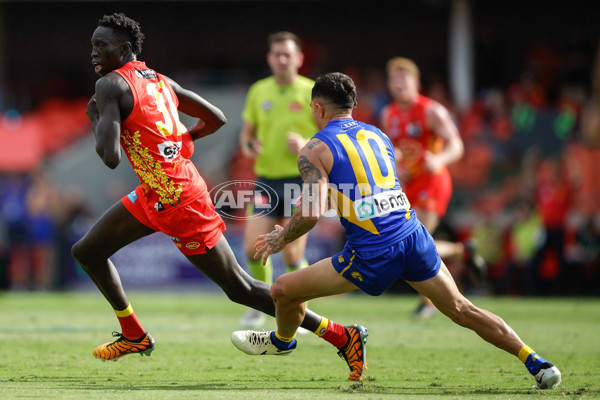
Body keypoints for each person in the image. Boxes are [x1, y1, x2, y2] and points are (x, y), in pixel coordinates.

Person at [73, 14, 363, 376]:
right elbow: (217, 119)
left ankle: (342, 335)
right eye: (92, 46)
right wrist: (179, 142)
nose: (94, 53)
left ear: (125, 48)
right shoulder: (158, 80)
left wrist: (94, 118)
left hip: (180, 201)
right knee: (86, 251)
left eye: (101, 45)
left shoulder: (110, 86)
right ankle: (134, 334)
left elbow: (111, 158)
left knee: (240, 288)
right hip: (157, 193)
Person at [231, 72, 561, 390]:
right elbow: (373, 190)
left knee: (283, 289)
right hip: (413, 236)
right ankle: (537, 362)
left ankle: (283, 341)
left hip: (372, 252)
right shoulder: (379, 135)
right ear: (352, 105)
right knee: (462, 309)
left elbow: (313, 213)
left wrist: (281, 236)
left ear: (317, 108)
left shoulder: (314, 148)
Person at [380, 57, 485, 317]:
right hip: (407, 185)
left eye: (404, 78)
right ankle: (461, 251)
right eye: (394, 79)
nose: (399, 84)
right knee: (409, 243)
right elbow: (389, 150)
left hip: (433, 181)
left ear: (416, 83)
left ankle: (430, 302)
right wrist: (395, 166)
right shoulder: (388, 113)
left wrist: (438, 159)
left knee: (415, 240)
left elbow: (456, 145)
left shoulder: (431, 111)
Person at [237, 31, 316, 328]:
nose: (282, 59)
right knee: (253, 248)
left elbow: (330, 135)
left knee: (293, 253)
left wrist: (307, 141)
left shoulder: (311, 91)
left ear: (299, 58)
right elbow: (247, 134)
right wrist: (248, 145)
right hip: (266, 180)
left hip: (301, 180)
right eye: (277, 54)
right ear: (270, 58)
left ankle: (303, 313)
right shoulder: (259, 90)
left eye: (288, 54)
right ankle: (262, 305)